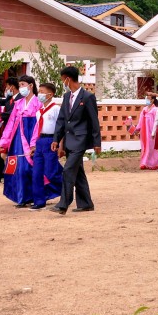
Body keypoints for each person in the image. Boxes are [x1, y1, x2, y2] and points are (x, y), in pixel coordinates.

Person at [50, 66, 101, 215]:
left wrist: (97, 142)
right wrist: (56, 139)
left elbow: (94, 120)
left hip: (81, 139)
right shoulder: (67, 97)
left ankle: (63, 204)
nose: (62, 82)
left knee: (68, 170)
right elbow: (61, 120)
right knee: (78, 173)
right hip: (69, 139)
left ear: (68, 79)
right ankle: (86, 203)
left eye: (62, 79)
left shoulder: (87, 97)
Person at [0, 75, 41, 207]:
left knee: (31, 167)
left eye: (23, 84)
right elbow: (11, 123)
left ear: (31, 85)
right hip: (18, 139)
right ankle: (20, 196)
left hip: (32, 137)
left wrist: (34, 142)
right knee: (17, 167)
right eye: (20, 84)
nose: (21, 87)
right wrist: (4, 142)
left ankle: (34, 195)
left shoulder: (38, 103)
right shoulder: (18, 104)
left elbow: (40, 124)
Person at [28, 82, 64, 210]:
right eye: (40, 91)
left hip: (51, 140)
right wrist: (34, 145)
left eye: (42, 91)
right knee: (37, 173)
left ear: (50, 94)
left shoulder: (56, 109)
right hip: (40, 141)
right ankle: (39, 201)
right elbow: (37, 128)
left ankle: (67, 189)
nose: (40, 94)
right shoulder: (39, 111)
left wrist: (61, 145)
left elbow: (61, 128)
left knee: (51, 172)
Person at [131, 96, 158, 170]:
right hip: (145, 132)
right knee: (145, 147)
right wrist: (137, 129)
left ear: (152, 100)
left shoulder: (156, 110)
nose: (147, 100)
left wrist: (156, 131)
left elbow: (157, 121)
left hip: (153, 131)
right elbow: (140, 121)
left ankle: (155, 163)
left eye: (148, 98)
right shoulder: (144, 110)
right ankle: (144, 163)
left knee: (153, 147)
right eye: (146, 98)